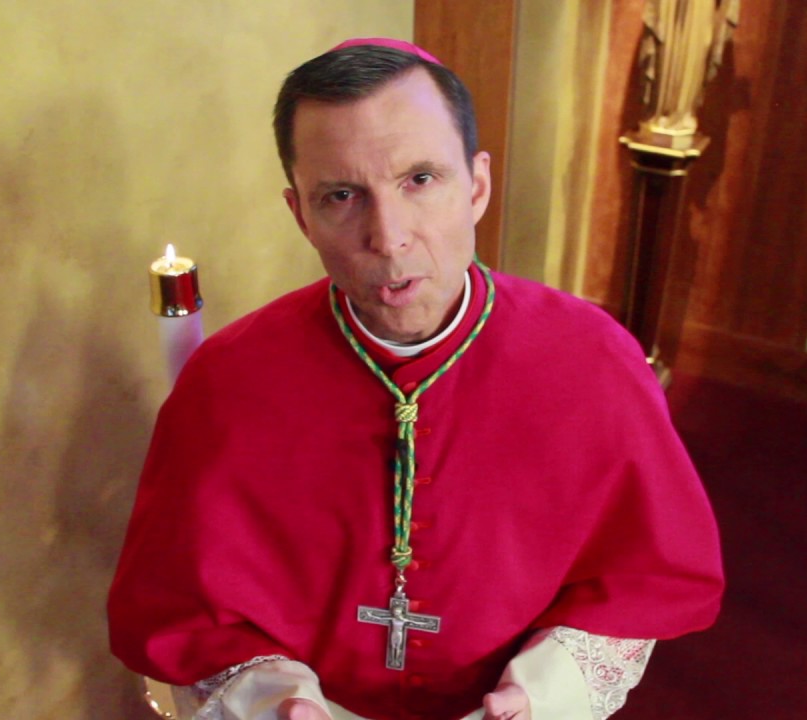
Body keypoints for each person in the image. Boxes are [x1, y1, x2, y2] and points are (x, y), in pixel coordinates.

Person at [108, 38, 724, 720]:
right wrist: (274, 698)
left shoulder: (594, 361)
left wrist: (543, 694)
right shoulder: (227, 382)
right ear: (301, 215)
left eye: (420, 180)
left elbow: (641, 578)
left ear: (477, 186)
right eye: (342, 195)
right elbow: (185, 611)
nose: (389, 236)